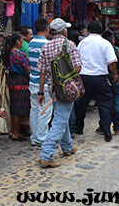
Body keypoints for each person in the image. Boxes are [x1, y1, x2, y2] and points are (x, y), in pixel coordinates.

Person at [37, 18, 82, 168]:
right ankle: (47, 154)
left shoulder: (45, 47)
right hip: (66, 89)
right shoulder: (69, 45)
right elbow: (77, 67)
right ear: (63, 31)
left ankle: (67, 146)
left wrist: (41, 92)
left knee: (61, 116)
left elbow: (42, 72)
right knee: (59, 121)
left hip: (52, 88)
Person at [75, 21, 117, 141]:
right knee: (105, 104)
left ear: (88, 31)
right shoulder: (105, 43)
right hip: (100, 77)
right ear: (101, 32)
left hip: (84, 77)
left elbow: (76, 60)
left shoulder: (82, 43)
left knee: (81, 103)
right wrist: (114, 74)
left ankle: (79, 127)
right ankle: (106, 130)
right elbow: (112, 62)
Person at [28, 18, 52, 148]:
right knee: (44, 111)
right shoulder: (47, 44)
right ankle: (42, 138)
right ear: (47, 29)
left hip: (32, 81)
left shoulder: (31, 42)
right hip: (44, 84)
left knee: (35, 110)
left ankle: (34, 137)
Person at [4, 31, 30, 141]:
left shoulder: (9, 53)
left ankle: (13, 130)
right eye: (22, 41)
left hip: (12, 81)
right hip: (21, 81)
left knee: (14, 106)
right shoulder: (19, 54)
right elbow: (27, 69)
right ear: (18, 41)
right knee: (19, 107)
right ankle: (16, 132)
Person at [100, 30, 119, 135]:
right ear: (113, 40)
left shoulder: (100, 51)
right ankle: (116, 127)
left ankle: (103, 127)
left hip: (103, 80)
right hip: (114, 81)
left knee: (104, 105)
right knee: (116, 104)